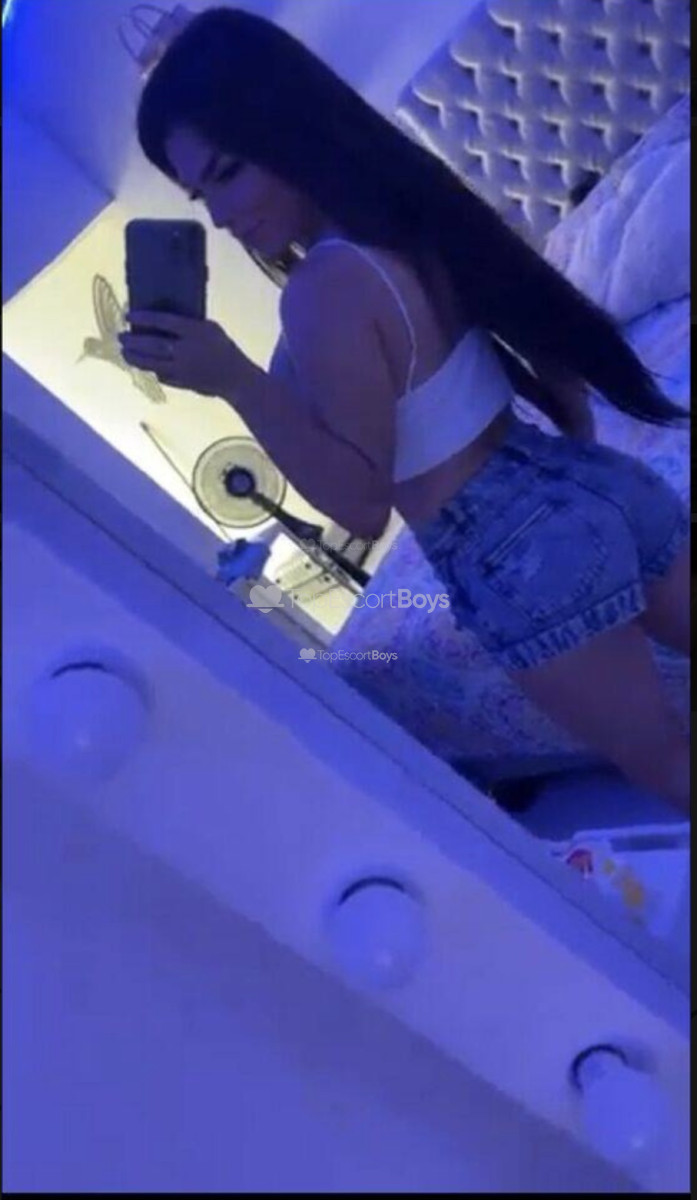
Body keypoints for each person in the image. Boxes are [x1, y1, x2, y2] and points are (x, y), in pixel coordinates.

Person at [120, 7, 690, 813]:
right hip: (591, 483)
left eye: (227, 173)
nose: (218, 215)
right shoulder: (403, 206)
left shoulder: (323, 288)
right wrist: (567, 478)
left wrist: (233, 378)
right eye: (198, 192)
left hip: (506, 550)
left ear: (283, 127)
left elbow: (359, 504)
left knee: (670, 764)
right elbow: (546, 338)